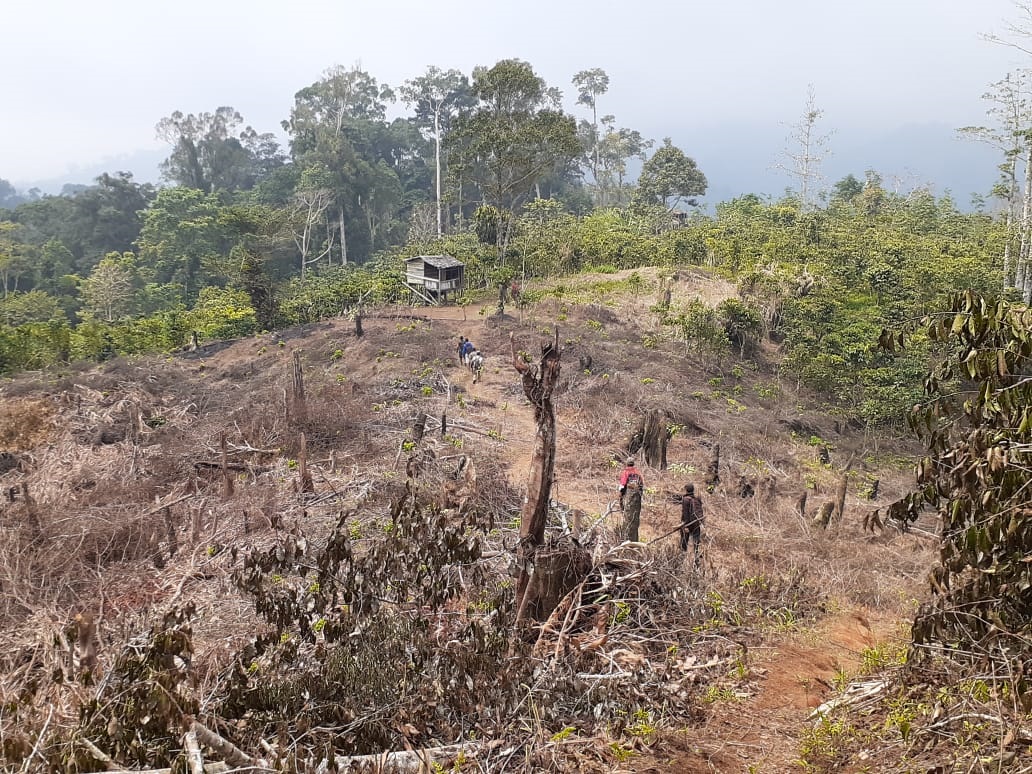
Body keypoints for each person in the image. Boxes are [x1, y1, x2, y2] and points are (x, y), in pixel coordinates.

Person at [678, 483, 705, 569]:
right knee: (696, 543)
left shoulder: (685, 499)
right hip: (697, 523)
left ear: (686, 489)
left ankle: (680, 562)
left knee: (684, 544)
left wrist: (685, 526)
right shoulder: (697, 499)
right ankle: (697, 562)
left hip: (688, 524)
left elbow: (685, 513)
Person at [618, 457, 644, 541]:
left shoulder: (625, 472)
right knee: (635, 519)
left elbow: (622, 485)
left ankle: (626, 539)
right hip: (637, 500)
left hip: (628, 498)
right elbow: (641, 485)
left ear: (626, 464)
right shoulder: (638, 473)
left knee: (627, 519)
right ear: (633, 464)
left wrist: (620, 496)